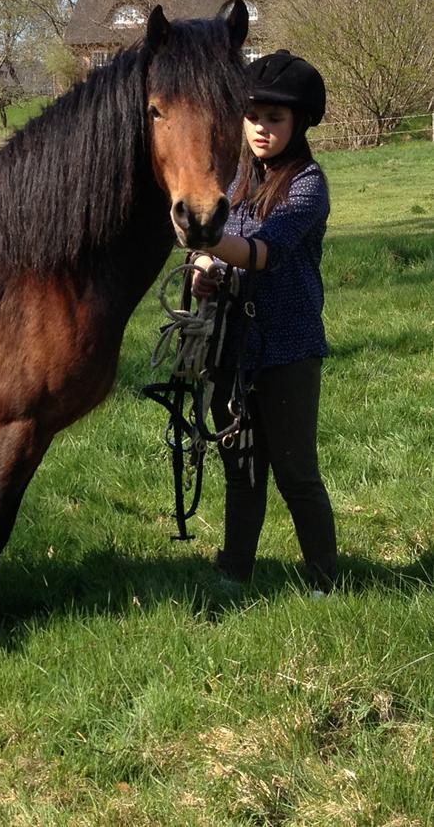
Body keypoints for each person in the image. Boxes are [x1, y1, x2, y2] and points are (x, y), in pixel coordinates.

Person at [190, 50, 337, 594]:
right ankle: (234, 571)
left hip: (290, 346)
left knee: (296, 473)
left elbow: (264, 252)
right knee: (241, 467)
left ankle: (323, 581)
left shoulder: (308, 185)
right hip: (234, 340)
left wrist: (208, 241)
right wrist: (201, 268)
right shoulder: (233, 180)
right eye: (254, 117)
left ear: (298, 124)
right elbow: (218, 256)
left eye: (274, 119)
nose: (261, 129)